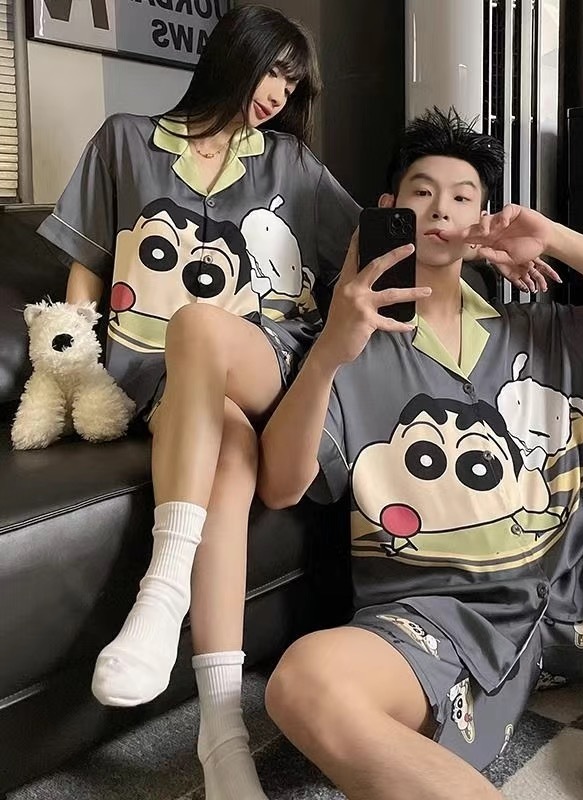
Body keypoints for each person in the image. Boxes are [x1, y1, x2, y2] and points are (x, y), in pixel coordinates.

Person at [257, 108, 583, 800]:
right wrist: (331, 353)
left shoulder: (541, 330)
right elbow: (281, 485)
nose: (442, 209)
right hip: (439, 622)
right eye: (422, 192)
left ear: (482, 222)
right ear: (387, 209)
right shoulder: (345, 347)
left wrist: (555, 237)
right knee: (303, 683)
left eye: (463, 198)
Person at [36, 7, 359, 800]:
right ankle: (223, 738)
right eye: (272, 70)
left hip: (267, 357)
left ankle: (162, 592)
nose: (279, 94)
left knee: (202, 326)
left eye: (292, 83)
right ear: (233, 56)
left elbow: (366, 247)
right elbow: (87, 261)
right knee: (228, 441)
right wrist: (73, 354)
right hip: (159, 376)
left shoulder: (291, 164)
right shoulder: (125, 141)